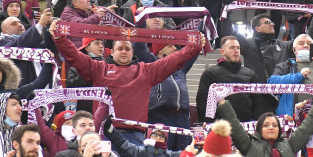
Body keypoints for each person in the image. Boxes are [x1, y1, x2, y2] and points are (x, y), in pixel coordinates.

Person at [51, 18, 203, 133]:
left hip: (135, 135)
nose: (124, 51)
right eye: (120, 48)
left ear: (132, 52)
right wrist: (59, 38)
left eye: (127, 49)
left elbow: (175, 60)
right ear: (112, 51)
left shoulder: (146, 71)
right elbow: (74, 56)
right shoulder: (98, 68)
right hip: (105, 133)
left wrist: (195, 45)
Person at [196, 36, 272, 123]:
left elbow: (258, 103)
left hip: (246, 127)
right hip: (220, 129)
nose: (236, 50)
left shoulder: (250, 74)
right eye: (232, 47)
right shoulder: (210, 74)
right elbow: (203, 104)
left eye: (238, 48)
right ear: (222, 52)